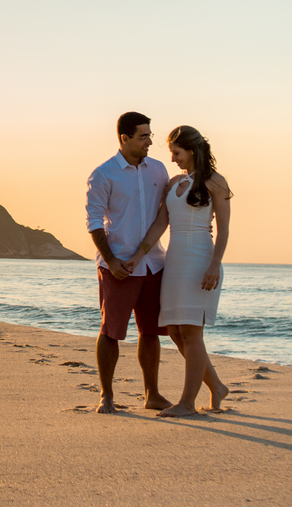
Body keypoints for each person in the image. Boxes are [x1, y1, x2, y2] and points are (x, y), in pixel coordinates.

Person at [127, 125, 232, 417]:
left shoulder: (216, 182)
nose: (173, 158)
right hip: (174, 261)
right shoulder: (174, 183)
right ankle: (218, 387)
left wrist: (214, 264)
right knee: (174, 331)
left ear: (193, 150)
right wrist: (139, 254)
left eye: (177, 152)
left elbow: (223, 231)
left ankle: (187, 403)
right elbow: (161, 223)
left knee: (191, 332)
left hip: (201, 259)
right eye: (171, 152)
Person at [85, 111, 172, 414]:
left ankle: (152, 394)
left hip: (154, 263)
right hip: (118, 266)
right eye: (143, 136)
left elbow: (171, 208)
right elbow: (94, 221)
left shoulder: (159, 170)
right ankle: (106, 395)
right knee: (111, 331)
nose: (150, 141)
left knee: (150, 331)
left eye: (149, 134)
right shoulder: (104, 174)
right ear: (125, 138)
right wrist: (111, 260)